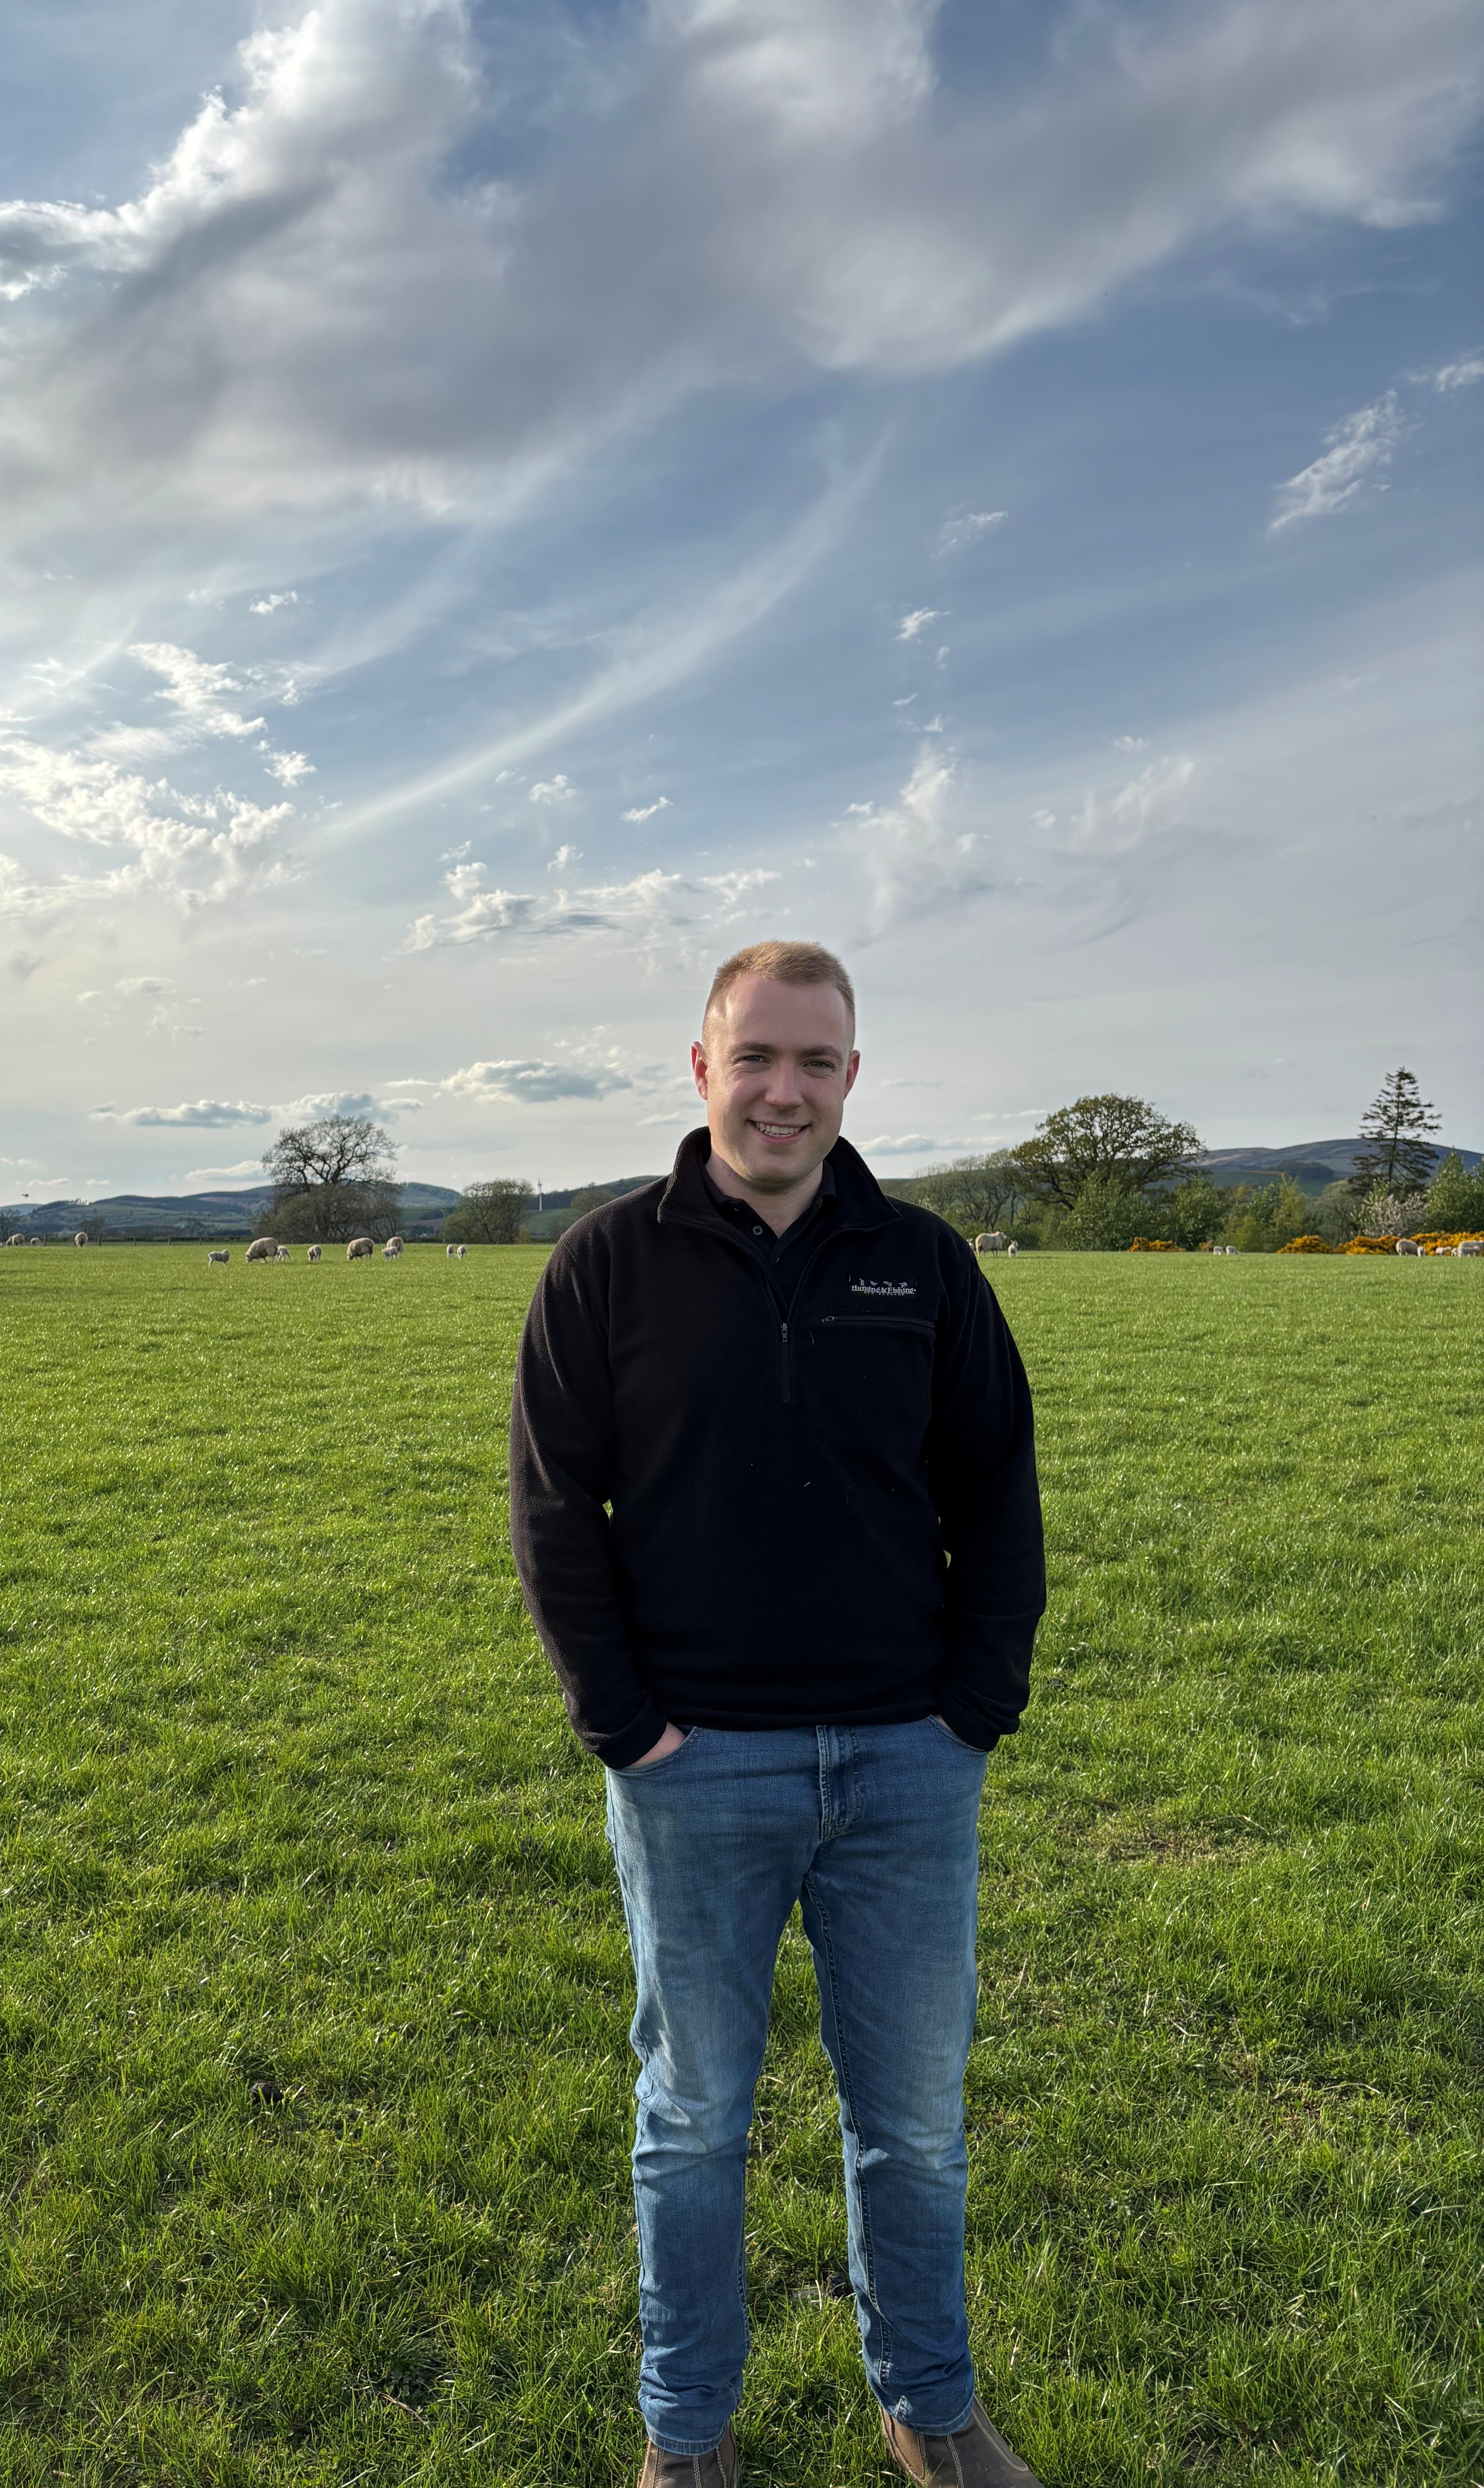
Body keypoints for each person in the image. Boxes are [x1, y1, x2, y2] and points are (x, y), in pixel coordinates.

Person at [509, 940, 1048, 2488]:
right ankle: (688, 2440)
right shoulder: (606, 1265)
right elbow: (554, 1510)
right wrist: (626, 1729)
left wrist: (971, 1711)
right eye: (756, 1058)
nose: (783, 1091)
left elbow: (995, 1490)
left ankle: (930, 2415)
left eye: (815, 1063)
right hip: (697, 1773)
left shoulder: (923, 1263)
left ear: (852, 1080)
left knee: (918, 2128)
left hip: (905, 1766)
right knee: (691, 2123)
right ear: (700, 1069)